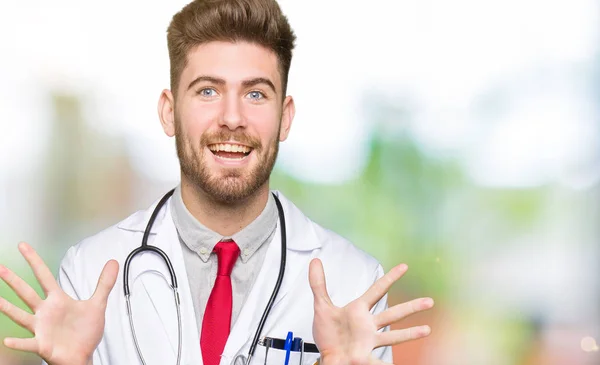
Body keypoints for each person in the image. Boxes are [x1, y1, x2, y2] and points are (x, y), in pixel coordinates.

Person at [0, 1, 434, 364]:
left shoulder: (352, 282)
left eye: (256, 93)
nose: (232, 117)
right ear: (169, 111)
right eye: (207, 91)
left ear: (285, 117)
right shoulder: (89, 270)